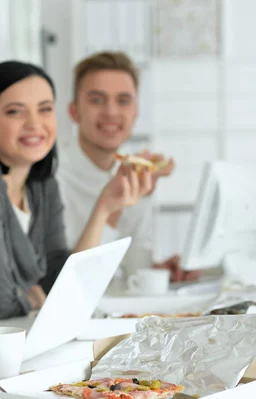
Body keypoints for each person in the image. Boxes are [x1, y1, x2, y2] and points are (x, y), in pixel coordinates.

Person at [0, 61, 152, 319]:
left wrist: (104, 207)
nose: (34, 124)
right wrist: (29, 295)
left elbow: (63, 286)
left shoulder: (41, 184)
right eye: (15, 112)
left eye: (44, 109)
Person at [56, 51, 199, 282]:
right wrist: (116, 205)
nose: (111, 112)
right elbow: (79, 281)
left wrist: (159, 272)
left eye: (123, 101)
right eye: (97, 100)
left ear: (135, 113)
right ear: (74, 111)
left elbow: (133, 266)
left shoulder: (134, 174)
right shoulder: (52, 176)